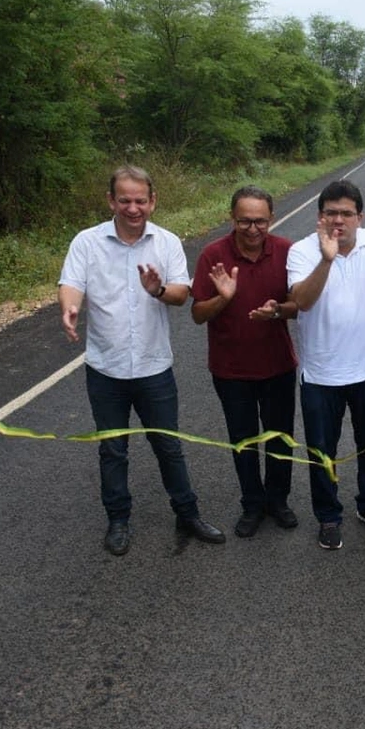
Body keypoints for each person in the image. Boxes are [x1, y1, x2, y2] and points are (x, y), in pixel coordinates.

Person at [58, 166, 225, 556]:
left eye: (140, 200)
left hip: (154, 367)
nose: (133, 208)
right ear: (111, 200)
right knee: (112, 449)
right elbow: (72, 284)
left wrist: (158, 290)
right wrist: (69, 309)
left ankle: (188, 513)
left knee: (169, 445)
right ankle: (118, 519)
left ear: (153, 201)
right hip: (106, 367)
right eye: (124, 200)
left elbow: (182, 294)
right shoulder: (86, 242)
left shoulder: (165, 243)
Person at [287, 180, 365, 550]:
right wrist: (327, 258)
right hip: (320, 374)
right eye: (330, 213)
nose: (338, 220)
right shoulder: (302, 251)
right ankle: (328, 515)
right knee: (322, 452)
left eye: (346, 214)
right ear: (319, 216)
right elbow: (303, 302)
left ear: (360, 217)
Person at [191, 186, 299, 539]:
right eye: (244, 222)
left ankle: (278, 500)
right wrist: (223, 298)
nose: (253, 229)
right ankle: (252, 504)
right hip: (230, 369)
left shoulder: (287, 251)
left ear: (271, 218)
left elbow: (302, 306)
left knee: (280, 439)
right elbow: (197, 314)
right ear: (231, 218)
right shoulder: (213, 255)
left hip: (278, 365)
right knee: (244, 440)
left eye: (260, 222)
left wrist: (279, 311)